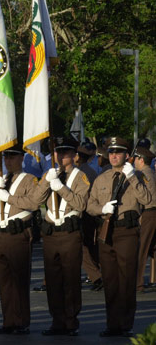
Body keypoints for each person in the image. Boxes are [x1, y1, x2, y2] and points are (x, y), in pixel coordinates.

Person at [87, 137, 151, 338]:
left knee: (126, 280)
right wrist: (101, 209)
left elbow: (148, 200)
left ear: (127, 156)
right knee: (111, 281)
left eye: (118, 152)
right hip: (106, 233)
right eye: (111, 153)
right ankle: (112, 324)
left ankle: (126, 324)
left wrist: (132, 177)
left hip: (127, 233)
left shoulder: (138, 177)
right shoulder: (101, 178)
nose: (114, 156)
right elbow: (89, 205)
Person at [0, 144, 39, 335]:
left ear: (21, 158)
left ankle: (21, 321)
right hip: (0, 236)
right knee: (4, 282)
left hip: (18, 235)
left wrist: (8, 197)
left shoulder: (30, 180)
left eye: (12, 157)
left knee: (19, 280)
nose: (9, 161)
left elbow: (34, 203)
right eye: (6, 157)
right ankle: (8, 321)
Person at [35, 137, 90, 336]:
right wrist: (47, 183)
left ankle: (70, 320)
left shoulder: (80, 177)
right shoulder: (50, 174)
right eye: (58, 152)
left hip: (69, 233)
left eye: (65, 152)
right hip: (51, 233)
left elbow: (80, 204)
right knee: (53, 279)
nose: (60, 156)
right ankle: (56, 320)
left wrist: (60, 188)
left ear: (74, 155)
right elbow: (35, 201)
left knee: (70, 278)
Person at [75, 145, 102, 291]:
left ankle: (96, 276)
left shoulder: (80, 173)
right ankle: (98, 274)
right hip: (90, 213)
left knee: (83, 246)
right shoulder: (90, 171)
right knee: (90, 246)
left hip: (83, 213)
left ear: (77, 157)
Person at [134, 146, 156, 292]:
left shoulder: (142, 174)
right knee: (153, 247)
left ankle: (138, 282)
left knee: (142, 248)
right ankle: (153, 278)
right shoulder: (151, 172)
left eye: (136, 158)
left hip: (148, 213)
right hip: (152, 212)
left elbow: (143, 198)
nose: (134, 161)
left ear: (141, 160)